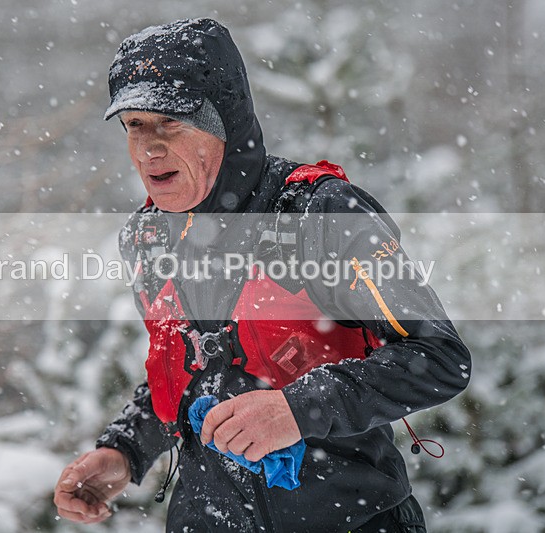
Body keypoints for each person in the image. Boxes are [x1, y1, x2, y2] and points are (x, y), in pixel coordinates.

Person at [54, 18, 470, 532]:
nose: (149, 147)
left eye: (171, 122)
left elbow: (439, 357)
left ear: (224, 122)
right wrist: (125, 452)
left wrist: (297, 410)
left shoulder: (319, 215)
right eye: (135, 124)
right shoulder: (149, 238)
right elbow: (192, 371)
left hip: (349, 520)